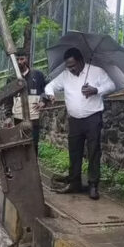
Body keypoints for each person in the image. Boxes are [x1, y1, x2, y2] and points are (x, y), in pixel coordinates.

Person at [41, 47, 116, 200]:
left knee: (93, 151)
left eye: (73, 65)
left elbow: (111, 85)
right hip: (74, 120)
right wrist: (50, 94)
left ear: (80, 61)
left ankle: (93, 185)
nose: (71, 69)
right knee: (74, 152)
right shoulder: (65, 75)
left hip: (92, 118)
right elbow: (50, 86)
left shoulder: (96, 71)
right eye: (68, 66)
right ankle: (74, 182)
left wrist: (96, 90)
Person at [12, 52, 47, 151]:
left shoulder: (38, 75)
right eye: (17, 59)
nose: (19, 62)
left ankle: (34, 161)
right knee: (19, 145)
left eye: (22, 59)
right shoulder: (12, 79)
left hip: (34, 118)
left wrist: (43, 101)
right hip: (18, 119)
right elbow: (8, 100)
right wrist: (7, 117)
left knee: (33, 145)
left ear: (27, 59)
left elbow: (46, 90)